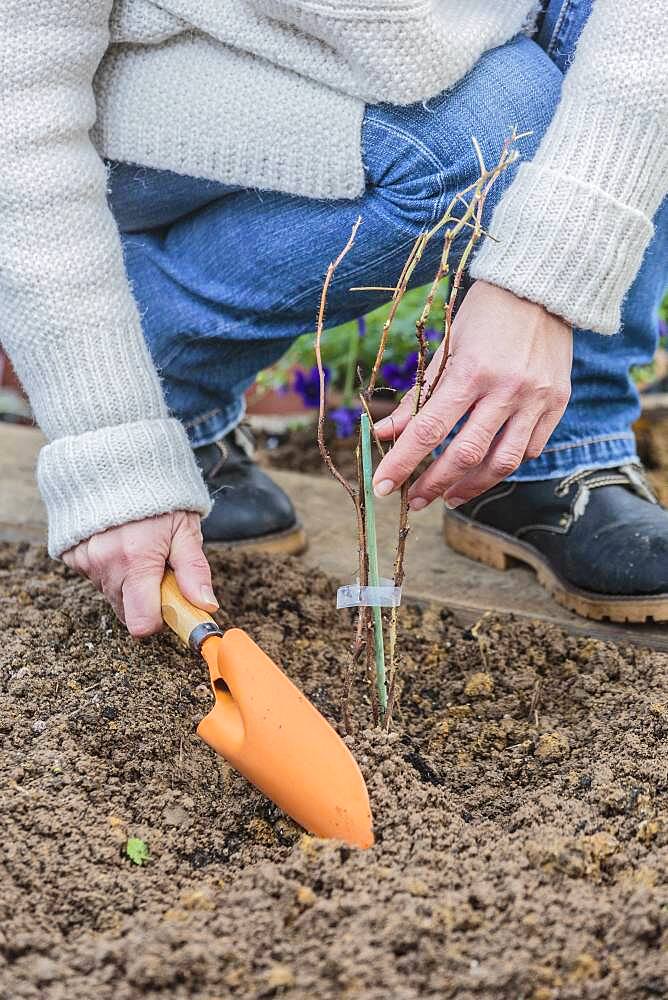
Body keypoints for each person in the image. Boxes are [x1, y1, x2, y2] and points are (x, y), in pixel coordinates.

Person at [2, 0, 666, 635]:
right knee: (502, 125)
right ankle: (157, 368)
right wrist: (112, 436)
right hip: (145, 76)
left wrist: (542, 284)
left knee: (594, 85)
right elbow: (19, 110)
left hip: (429, 58)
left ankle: (555, 453)